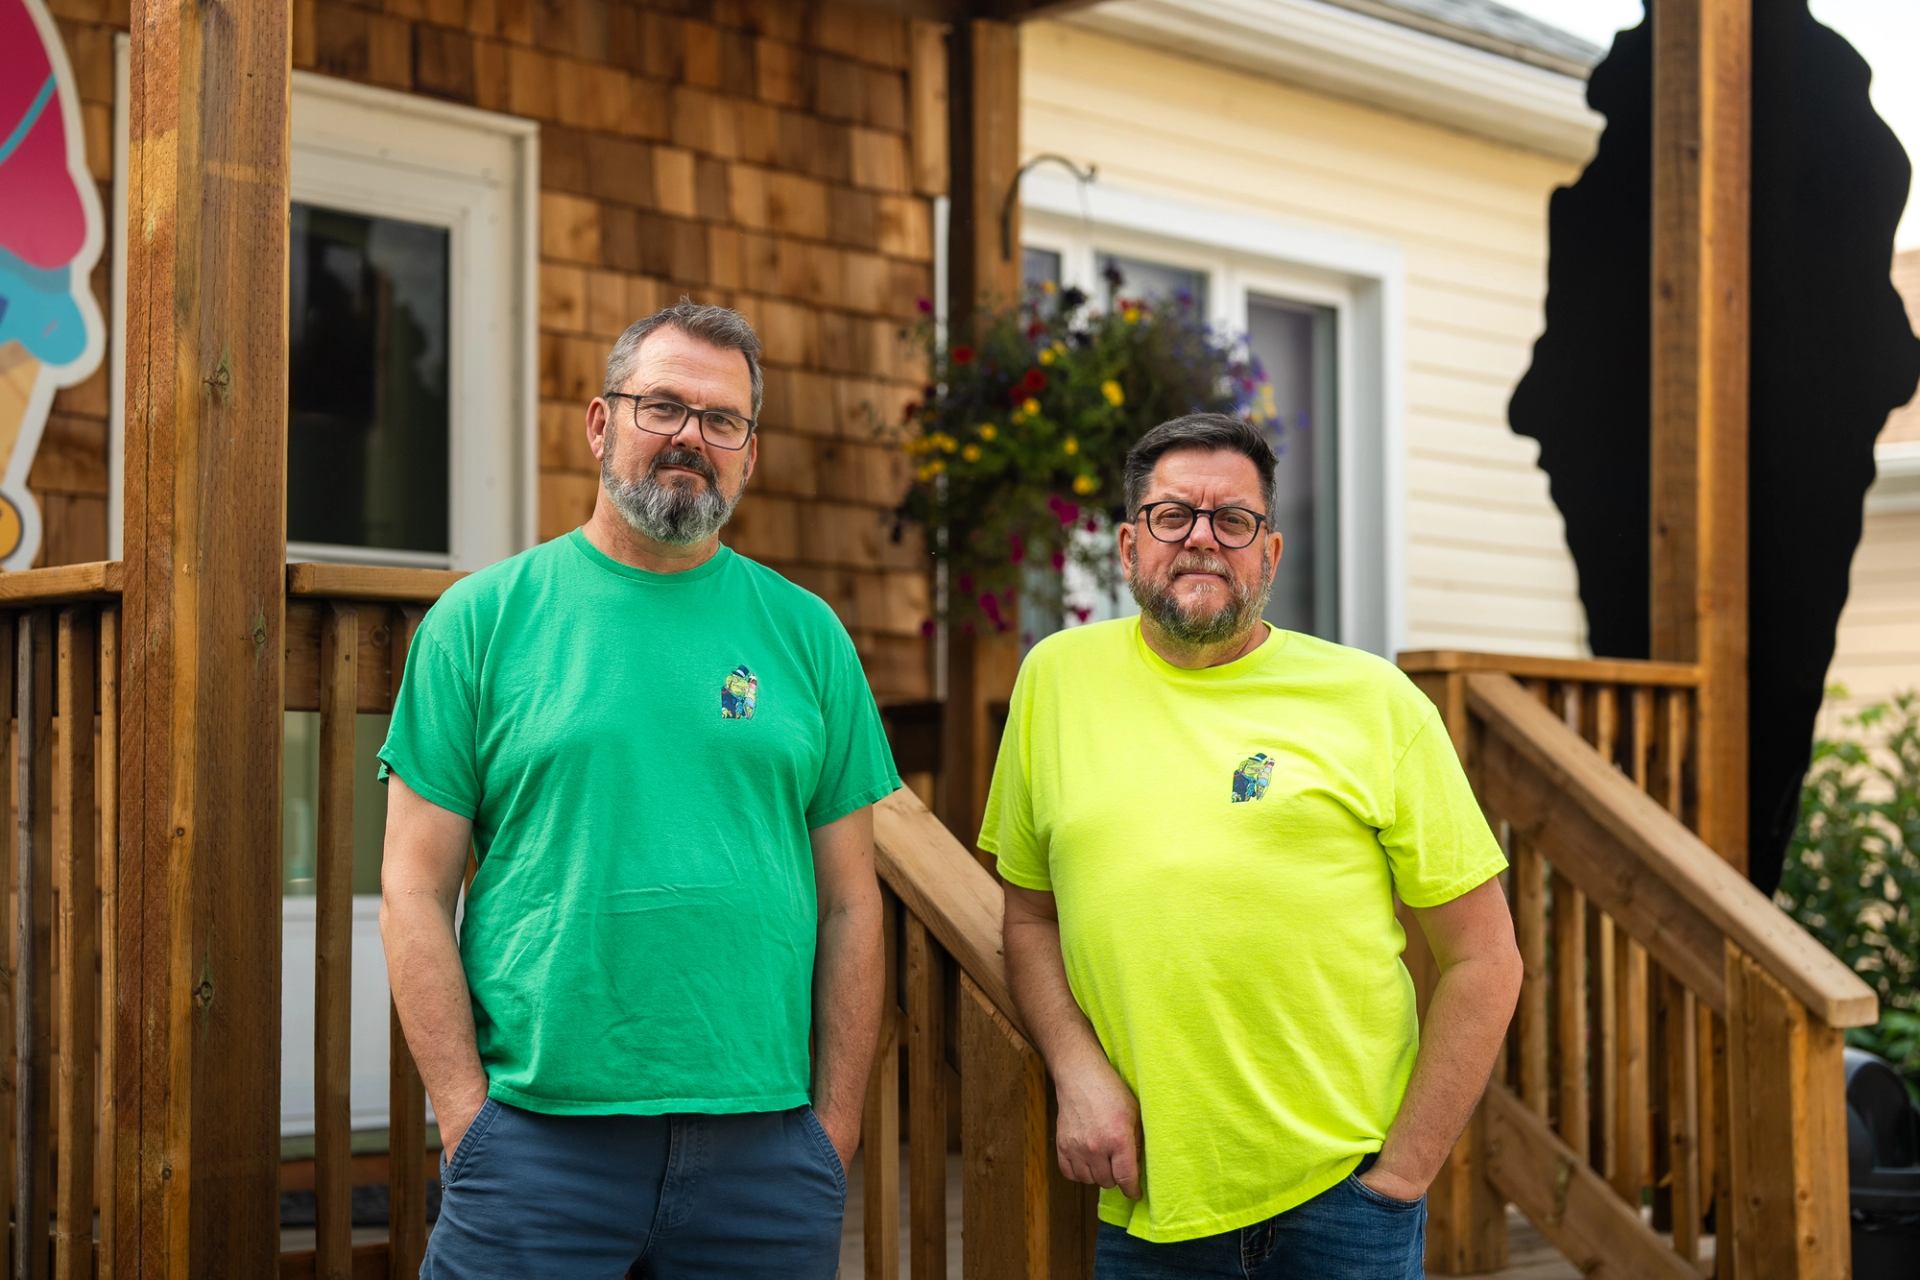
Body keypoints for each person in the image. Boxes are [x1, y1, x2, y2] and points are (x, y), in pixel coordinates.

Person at [379, 300, 899, 1279]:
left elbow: (850, 899)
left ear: (749, 452)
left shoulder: (808, 634)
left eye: (722, 419)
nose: (690, 437)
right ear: (600, 422)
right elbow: (412, 886)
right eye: (662, 405)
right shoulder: (480, 622)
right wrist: (465, 1116)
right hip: (537, 1143)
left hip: (766, 1152)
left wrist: (833, 1128)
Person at [982, 413, 1523, 1279]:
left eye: (1232, 520)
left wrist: (1401, 1177)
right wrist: (1077, 1067)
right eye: (1172, 516)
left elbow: (1485, 960)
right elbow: (1029, 917)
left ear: (1268, 553)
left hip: (1342, 1203)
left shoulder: (1374, 702)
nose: (1202, 540)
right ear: (1128, 546)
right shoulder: (1054, 680)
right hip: (1152, 1202)